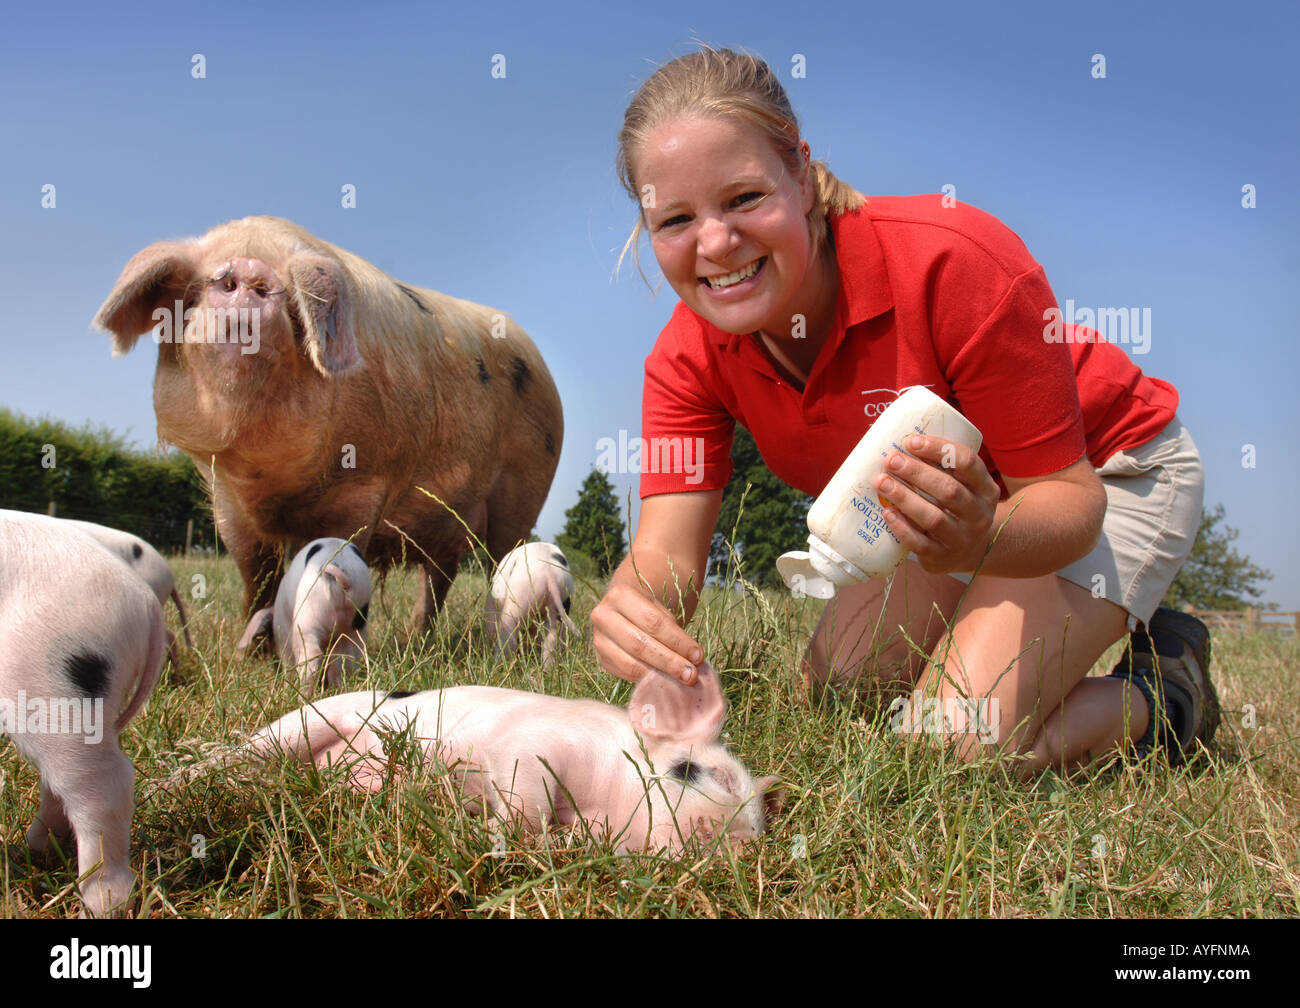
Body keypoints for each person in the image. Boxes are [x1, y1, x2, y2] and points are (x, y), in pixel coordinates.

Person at [590, 47, 1218, 775]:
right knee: (839, 693)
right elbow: (666, 554)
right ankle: (1019, 663)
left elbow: (1069, 503)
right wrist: (633, 604)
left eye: (744, 198)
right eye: (674, 220)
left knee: (946, 750)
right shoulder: (684, 358)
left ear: (800, 171)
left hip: (1108, 472)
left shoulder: (956, 260)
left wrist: (980, 542)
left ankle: (1164, 697)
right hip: (953, 526)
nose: (716, 243)